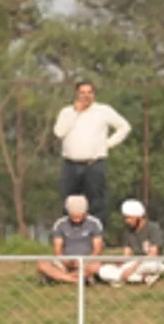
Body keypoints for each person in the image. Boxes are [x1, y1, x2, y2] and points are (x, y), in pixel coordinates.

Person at [53, 80, 131, 227]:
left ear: (94, 94)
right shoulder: (67, 112)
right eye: (83, 93)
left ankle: (96, 236)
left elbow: (124, 127)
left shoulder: (103, 111)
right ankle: (69, 236)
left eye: (89, 92)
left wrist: (107, 144)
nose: (86, 96)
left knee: (96, 203)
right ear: (77, 94)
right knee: (68, 201)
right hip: (70, 164)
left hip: (94, 164)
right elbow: (59, 132)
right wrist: (76, 113)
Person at [98, 199, 164, 286]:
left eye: (129, 218)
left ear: (139, 217)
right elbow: (127, 254)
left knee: (152, 266)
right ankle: (142, 278)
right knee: (103, 270)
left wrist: (132, 268)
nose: (127, 221)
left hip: (151, 262)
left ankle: (122, 279)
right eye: (126, 218)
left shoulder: (153, 228)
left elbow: (153, 254)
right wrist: (121, 263)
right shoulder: (127, 231)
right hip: (134, 262)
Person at [37, 195, 104, 284]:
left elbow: (97, 250)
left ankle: (59, 277)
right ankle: (74, 279)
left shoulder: (95, 224)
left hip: (87, 262)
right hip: (65, 262)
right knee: (42, 264)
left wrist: (84, 262)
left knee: (97, 265)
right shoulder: (60, 224)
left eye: (79, 216)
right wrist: (66, 261)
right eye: (74, 216)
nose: (77, 220)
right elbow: (57, 249)